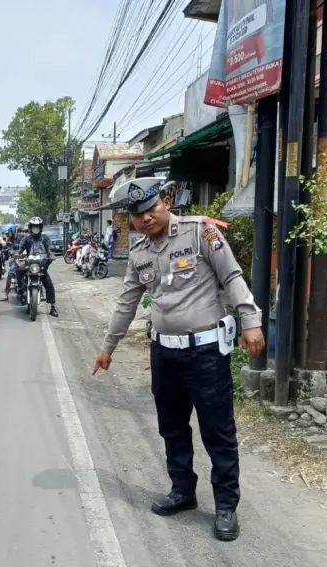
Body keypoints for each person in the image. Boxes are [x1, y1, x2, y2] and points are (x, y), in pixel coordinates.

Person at [91, 178, 265, 542]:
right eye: (136, 215)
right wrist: (108, 347)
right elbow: (127, 302)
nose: (144, 219)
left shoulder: (201, 233)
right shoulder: (139, 253)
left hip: (205, 353)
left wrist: (250, 321)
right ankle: (182, 491)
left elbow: (231, 276)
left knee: (217, 431)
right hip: (164, 353)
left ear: (166, 201)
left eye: (150, 209)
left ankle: (225, 507)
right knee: (172, 427)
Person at [15, 217, 58, 317]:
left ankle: (53, 307)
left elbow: (49, 249)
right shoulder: (26, 239)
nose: (36, 228)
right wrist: (17, 253)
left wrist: (51, 255)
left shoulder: (45, 238)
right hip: (29, 263)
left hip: (41, 265)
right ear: (30, 227)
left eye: (37, 226)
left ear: (40, 227)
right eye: (34, 226)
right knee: (19, 270)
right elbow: (20, 249)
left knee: (49, 285)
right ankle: (20, 289)